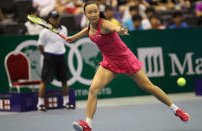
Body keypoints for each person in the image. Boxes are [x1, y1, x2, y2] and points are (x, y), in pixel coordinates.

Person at [66, 1, 190, 130]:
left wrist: (119, 30)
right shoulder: (89, 25)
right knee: (93, 90)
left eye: (95, 11)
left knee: (148, 86)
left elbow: (113, 27)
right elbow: (87, 31)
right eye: (90, 12)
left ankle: (176, 110)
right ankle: (88, 124)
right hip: (109, 62)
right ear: (85, 15)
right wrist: (73, 37)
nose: (93, 14)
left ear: (99, 11)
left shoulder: (104, 24)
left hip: (125, 60)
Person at [37, 10, 74, 111]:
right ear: (49, 19)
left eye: (57, 17)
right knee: (45, 81)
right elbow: (40, 46)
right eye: (54, 18)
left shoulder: (64, 29)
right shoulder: (44, 32)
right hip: (49, 57)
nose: (56, 20)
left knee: (64, 81)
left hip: (61, 56)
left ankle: (66, 103)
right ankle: (40, 104)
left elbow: (64, 42)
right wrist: (46, 54)